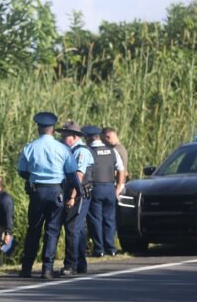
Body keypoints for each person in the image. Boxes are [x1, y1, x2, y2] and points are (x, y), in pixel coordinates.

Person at [17, 112, 81, 279]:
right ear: (53, 129)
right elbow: (72, 173)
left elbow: (22, 171)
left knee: (33, 229)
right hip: (56, 192)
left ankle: (26, 268)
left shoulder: (29, 147)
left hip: (37, 191)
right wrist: (78, 191)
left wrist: (34, 176)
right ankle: (47, 268)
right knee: (52, 230)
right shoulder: (63, 149)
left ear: (38, 128)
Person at [56, 122, 94, 276]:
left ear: (73, 136)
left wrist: (72, 196)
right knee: (78, 230)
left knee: (72, 229)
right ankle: (80, 264)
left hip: (78, 194)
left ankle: (70, 265)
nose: (62, 138)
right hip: (77, 193)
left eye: (64, 136)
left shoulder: (81, 152)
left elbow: (78, 176)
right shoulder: (72, 150)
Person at [83, 125, 125, 257]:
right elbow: (121, 169)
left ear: (88, 138)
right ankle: (111, 248)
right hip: (109, 188)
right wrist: (118, 186)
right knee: (110, 219)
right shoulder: (112, 151)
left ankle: (99, 249)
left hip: (95, 188)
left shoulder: (88, 151)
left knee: (95, 219)